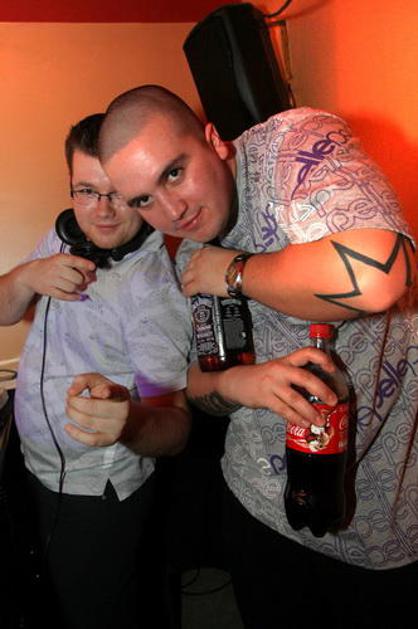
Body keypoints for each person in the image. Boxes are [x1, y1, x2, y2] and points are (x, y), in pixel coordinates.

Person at [97, 85, 418, 628]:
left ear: (213, 140)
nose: (172, 211)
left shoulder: (293, 148)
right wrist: (237, 384)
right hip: (259, 506)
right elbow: (199, 383)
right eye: (144, 200)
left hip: (385, 519)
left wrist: (234, 272)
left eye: (174, 172)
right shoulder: (190, 254)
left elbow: (380, 275)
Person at [0, 113, 194, 629]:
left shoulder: (152, 292)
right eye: (86, 192)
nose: (102, 213)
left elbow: (175, 426)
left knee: (95, 612)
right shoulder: (63, 236)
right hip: (34, 462)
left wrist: (129, 421)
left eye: (119, 195)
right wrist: (28, 275)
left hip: (94, 490)